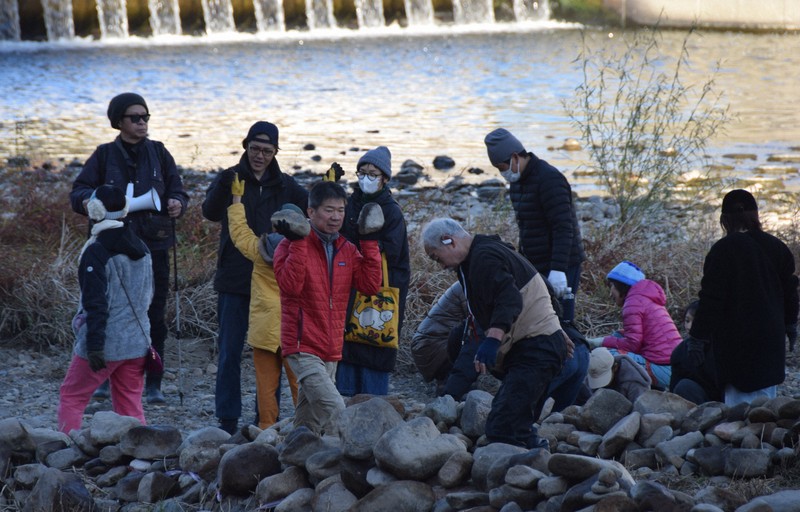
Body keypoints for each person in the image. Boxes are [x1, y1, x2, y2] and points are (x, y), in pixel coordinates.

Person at [70, 92, 189, 405]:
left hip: (153, 247)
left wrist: (178, 203)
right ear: (118, 122)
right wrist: (89, 202)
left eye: (145, 117)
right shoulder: (104, 155)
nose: (142, 123)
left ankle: (153, 382)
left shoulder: (159, 153)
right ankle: (103, 377)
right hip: (109, 249)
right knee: (105, 309)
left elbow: (178, 190)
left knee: (154, 314)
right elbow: (78, 191)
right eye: (135, 118)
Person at [421, 217, 573, 449]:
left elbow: (509, 299)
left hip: (537, 349)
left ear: (448, 240)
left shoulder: (484, 258)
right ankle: (533, 451)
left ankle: (526, 463)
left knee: (502, 429)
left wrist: (492, 339)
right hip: (536, 347)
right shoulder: (481, 255)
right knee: (512, 423)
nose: (440, 266)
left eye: (436, 257)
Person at [202, 121, 308, 434]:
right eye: (254, 149)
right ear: (245, 146)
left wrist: (330, 187)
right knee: (229, 351)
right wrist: (223, 188)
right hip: (234, 278)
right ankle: (227, 418)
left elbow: (312, 212)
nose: (259, 156)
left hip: (274, 282)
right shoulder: (230, 177)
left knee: (273, 349)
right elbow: (209, 212)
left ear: (275, 152)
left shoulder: (287, 185)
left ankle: (266, 418)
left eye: (267, 150)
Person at [273, 180, 383, 435]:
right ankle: (349, 454)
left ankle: (293, 454)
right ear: (310, 212)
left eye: (341, 210)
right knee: (336, 409)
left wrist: (369, 241)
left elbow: (370, 286)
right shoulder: (287, 245)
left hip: (331, 348)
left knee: (308, 423)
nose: (336, 217)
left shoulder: (346, 248)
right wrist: (299, 241)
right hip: (301, 345)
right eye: (329, 210)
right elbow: (290, 287)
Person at [688, 189, 799, 406]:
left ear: (725, 219)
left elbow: (711, 300)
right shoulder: (777, 247)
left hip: (737, 343)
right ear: (755, 215)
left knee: (738, 411)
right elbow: (790, 291)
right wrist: (790, 324)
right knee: (766, 408)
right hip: (771, 339)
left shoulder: (722, 250)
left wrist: (697, 338)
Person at [58, 185, 153, 433]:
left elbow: (96, 304)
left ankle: (66, 449)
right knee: (130, 406)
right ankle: (140, 452)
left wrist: (94, 346)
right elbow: (148, 296)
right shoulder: (142, 247)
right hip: (138, 341)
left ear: (95, 210)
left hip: (106, 342)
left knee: (72, 396)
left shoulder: (96, 251)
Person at [484, 128, 584, 321]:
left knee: (561, 320)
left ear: (515, 157)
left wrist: (558, 269)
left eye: (502, 167)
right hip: (535, 263)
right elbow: (526, 226)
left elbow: (563, 227)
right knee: (539, 319)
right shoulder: (517, 182)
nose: (502, 173)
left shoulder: (549, 179)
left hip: (562, 262)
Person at [226, 176, 300, 429]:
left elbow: (239, 232)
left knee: (265, 386)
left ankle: (267, 429)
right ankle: (307, 428)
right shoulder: (304, 252)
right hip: (295, 330)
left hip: (264, 329)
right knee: (301, 384)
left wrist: (237, 199)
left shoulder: (260, 248)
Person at [337, 146, 410, 397]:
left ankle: (375, 400)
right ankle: (346, 397)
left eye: (373, 174)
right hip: (350, 282)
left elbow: (393, 251)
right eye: (362, 173)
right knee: (347, 340)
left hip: (382, 286)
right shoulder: (349, 203)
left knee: (375, 342)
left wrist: (369, 243)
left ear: (385, 178)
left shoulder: (392, 211)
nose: (366, 178)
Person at [588, 261, 682, 390]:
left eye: (612, 285)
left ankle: (620, 391)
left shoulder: (633, 304)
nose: (611, 292)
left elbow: (632, 344)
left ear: (621, 286)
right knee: (618, 335)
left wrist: (600, 342)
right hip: (676, 366)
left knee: (609, 355)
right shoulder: (646, 299)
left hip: (665, 371)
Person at [410, 281, 469, 392]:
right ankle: (450, 385)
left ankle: (449, 383)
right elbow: (478, 320)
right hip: (432, 344)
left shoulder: (465, 283)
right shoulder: (468, 286)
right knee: (475, 337)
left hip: (427, 343)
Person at [670, 301, 722, 404]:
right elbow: (674, 386)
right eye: (687, 321)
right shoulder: (679, 351)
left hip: (724, 400)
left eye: (696, 321)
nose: (689, 326)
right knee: (683, 386)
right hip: (698, 401)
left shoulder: (721, 347)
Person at [586, 347, 651, 403]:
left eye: (603, 377)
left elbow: (639, 409)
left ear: (615, 367)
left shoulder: (635, 383)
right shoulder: (592, 367)